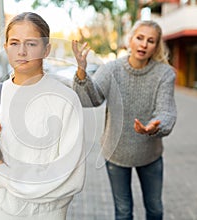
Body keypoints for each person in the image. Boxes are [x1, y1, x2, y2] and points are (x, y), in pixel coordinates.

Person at [0, 12, 85, 220]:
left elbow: (70, 177)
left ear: (46, 49)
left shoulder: (66, 99)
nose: (21, 52)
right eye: (14, 43)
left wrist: (3, 177)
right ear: (6, 47)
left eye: (31, 44)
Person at [72, 20, 177, 220]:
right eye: (140, 38)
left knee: (154, 209)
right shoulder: (112, 69)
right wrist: (81, 72)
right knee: (123, 211)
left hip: (150, 154)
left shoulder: (164, 74)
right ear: (130, 40)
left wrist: (155, 127)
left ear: (156, 46)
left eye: (151, 40)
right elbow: (89, 100)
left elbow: (167, 112)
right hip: (116, 152)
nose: (144, 44)